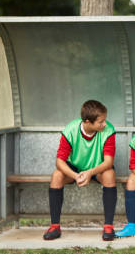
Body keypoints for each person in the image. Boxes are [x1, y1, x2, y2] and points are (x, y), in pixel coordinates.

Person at [43, 100, 118, 241]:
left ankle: (108, 226)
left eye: (105, 120)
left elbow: (108, 162)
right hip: (75, 168)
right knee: (57, 175)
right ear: (88, 122)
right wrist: (76, 176)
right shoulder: (71, 129)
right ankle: (55, 226)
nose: (105, 124)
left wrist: (90, 173)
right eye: (101, 122)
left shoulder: (108, 130)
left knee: (109, 174)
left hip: (98, 167)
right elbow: (59, 161)